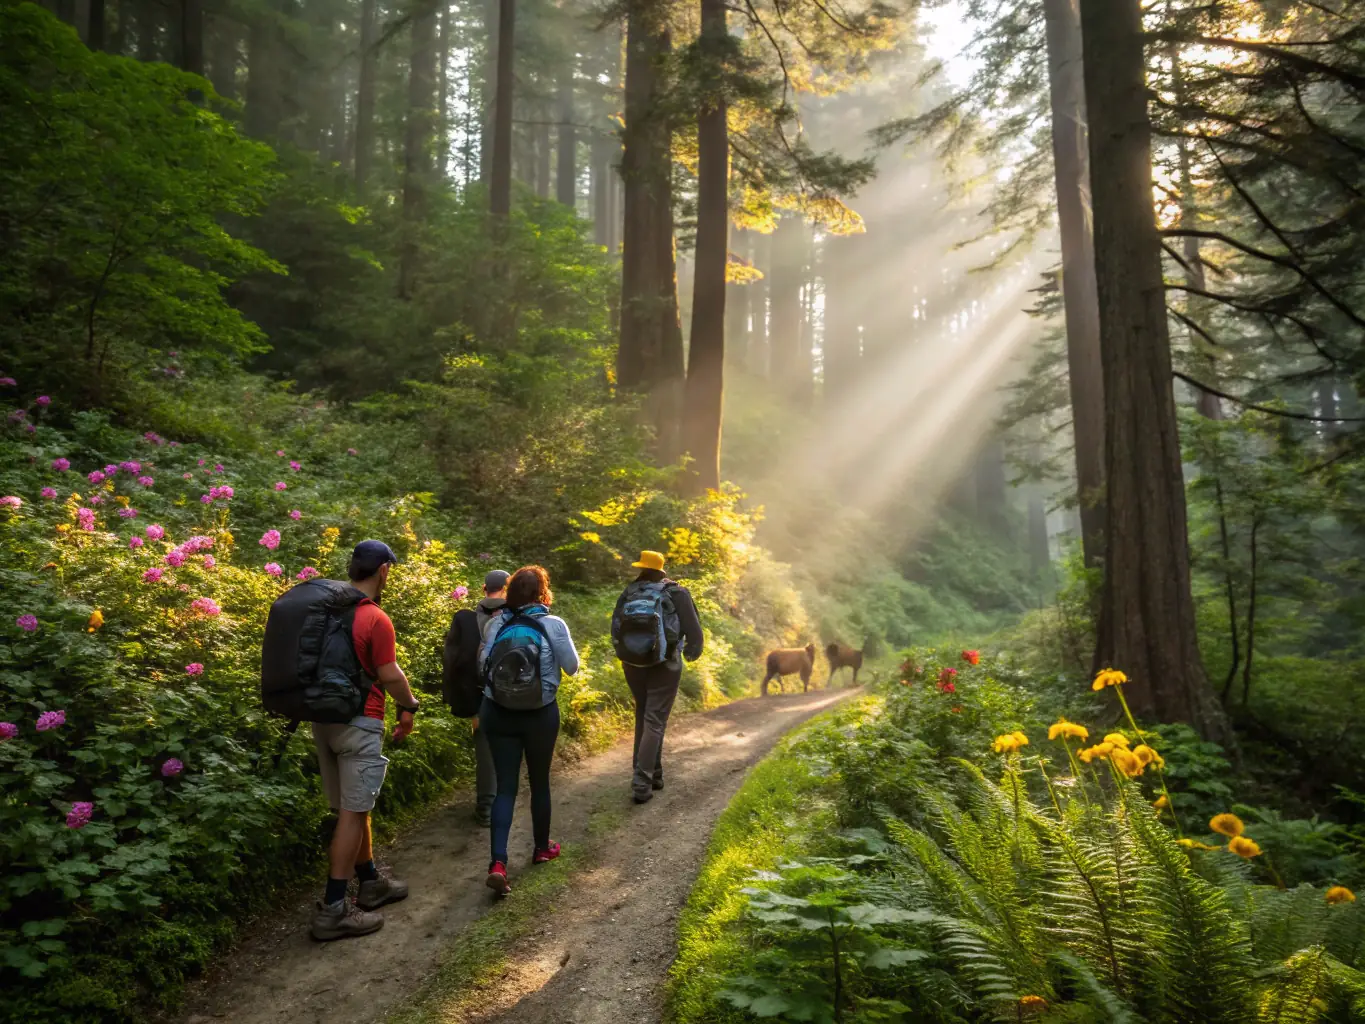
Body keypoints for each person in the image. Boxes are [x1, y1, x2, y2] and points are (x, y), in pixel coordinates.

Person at [310, 540, 419, 941]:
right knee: (353, 813)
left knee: (351, 806)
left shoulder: (324, 610)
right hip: (360, 720)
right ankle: (334, 909)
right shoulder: (374, 617)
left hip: (323, 719)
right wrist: (410, 705)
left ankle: (370, 880)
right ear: (384, 570)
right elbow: (388, 674)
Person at [477, 565, 579, 895]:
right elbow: (572, 667)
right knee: (539, 782)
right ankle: (541, 849)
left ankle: (498, 863)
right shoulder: (552, 624)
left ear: (509, 592)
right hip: (539, 714)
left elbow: (482, 667)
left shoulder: (496, 624)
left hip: (498, 713)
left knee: (505, 788)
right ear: (542, 592)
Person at [611, 551, 704, 804]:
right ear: (662, 571)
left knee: (644, 713)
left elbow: (615, 628)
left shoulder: (629, 592)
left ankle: (654, 774)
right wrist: (691, 654)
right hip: (665, 663)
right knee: (655, 719)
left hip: (632, 662)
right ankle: (642, 783)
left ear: (641, 569)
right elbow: (695, 633)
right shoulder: (677, 593)